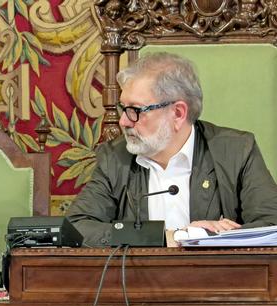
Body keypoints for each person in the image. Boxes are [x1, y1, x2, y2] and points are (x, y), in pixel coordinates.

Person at [66, 52, 277, 246]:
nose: (123, 121)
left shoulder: (236, 151)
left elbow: (271, 223)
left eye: (135, 110)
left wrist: (211, 237)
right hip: (138, 275)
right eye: (123, 108)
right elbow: (75, 227)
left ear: (177, 113)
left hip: (219, 274)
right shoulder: (115, 157)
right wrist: (167, 237)